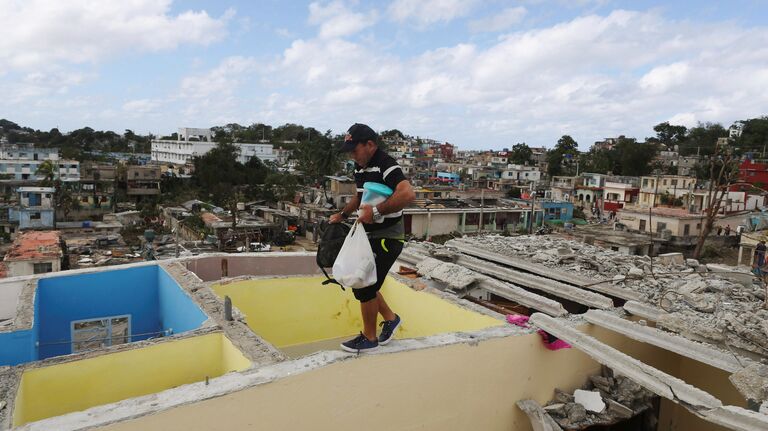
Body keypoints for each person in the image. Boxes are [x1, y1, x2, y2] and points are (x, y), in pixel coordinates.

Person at [329, 123, 416, 353]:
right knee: (365, 281)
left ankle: (369, 337)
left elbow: (408, 193)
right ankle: (390, 318)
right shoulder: (360, 168)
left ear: (369, 145)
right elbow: (360, 198)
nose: (352, 156)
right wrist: (342, 214)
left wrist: (376, 212)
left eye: (354, 150)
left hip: (389, 237)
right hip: (370, 234)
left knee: (364, 284)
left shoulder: (386, 164)